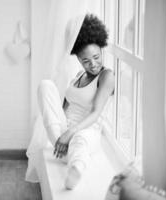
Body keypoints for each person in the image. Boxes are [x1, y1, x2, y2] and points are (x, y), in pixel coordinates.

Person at [37, 14, 115, 190]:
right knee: (45, 85)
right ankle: (66, 152)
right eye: (86, 61)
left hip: (86, 132)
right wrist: (61, 131)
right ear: (79, 59)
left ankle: (75, 169)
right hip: (61, 133)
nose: (93, 64)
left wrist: (68, 134)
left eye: (96, 57)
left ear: (101, 50)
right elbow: (64, 105)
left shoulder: (106, 76)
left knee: (81, 139)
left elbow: (95, 113)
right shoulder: (79, 75)